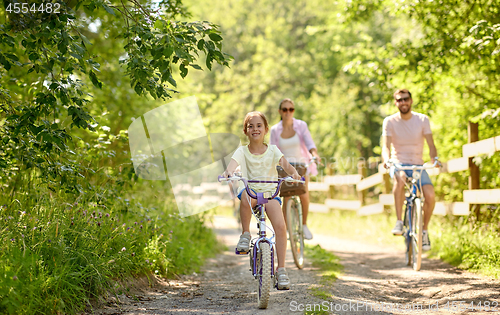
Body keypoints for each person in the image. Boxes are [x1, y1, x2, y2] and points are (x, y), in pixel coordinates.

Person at [221, 111, 301, 290]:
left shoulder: (273, 150)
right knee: (245, 196)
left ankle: (281, 270)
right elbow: (232, 166)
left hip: (270, 194)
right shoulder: (242, 151)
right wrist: (228, 173)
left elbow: (285, 164)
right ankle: (245, 234)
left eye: (259, 126)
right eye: (251, 126)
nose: (255, 129)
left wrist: (294, 174)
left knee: (280, 227)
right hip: (251, 191)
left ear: (265, 129)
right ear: (245, 130)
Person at [382, 89, 440, 251]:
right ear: (395, 103)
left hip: (418, 165)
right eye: (399, 100)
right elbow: (386, 147)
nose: (403, 102)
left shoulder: (422, 119)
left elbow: (431, 144)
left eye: (406, 99)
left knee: (429, 195)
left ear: (411, 100)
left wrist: (434, 159)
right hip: (399, 163)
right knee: (399, 179)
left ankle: (424, 231)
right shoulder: (390, 121)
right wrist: (387, 160)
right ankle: (399, 221)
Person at [270, 98, 321, 240]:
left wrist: (315, 154)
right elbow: (272, 149)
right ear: (280, 111)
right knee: (286, 197)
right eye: (285, 109)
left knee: (303, 194)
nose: (288, 112)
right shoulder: (275, 130)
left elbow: (309, 142)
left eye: (291, 109)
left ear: (293, 111)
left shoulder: (301, 125)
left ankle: (304, 225)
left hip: (301, 165)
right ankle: (285, 230)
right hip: (284, 167)